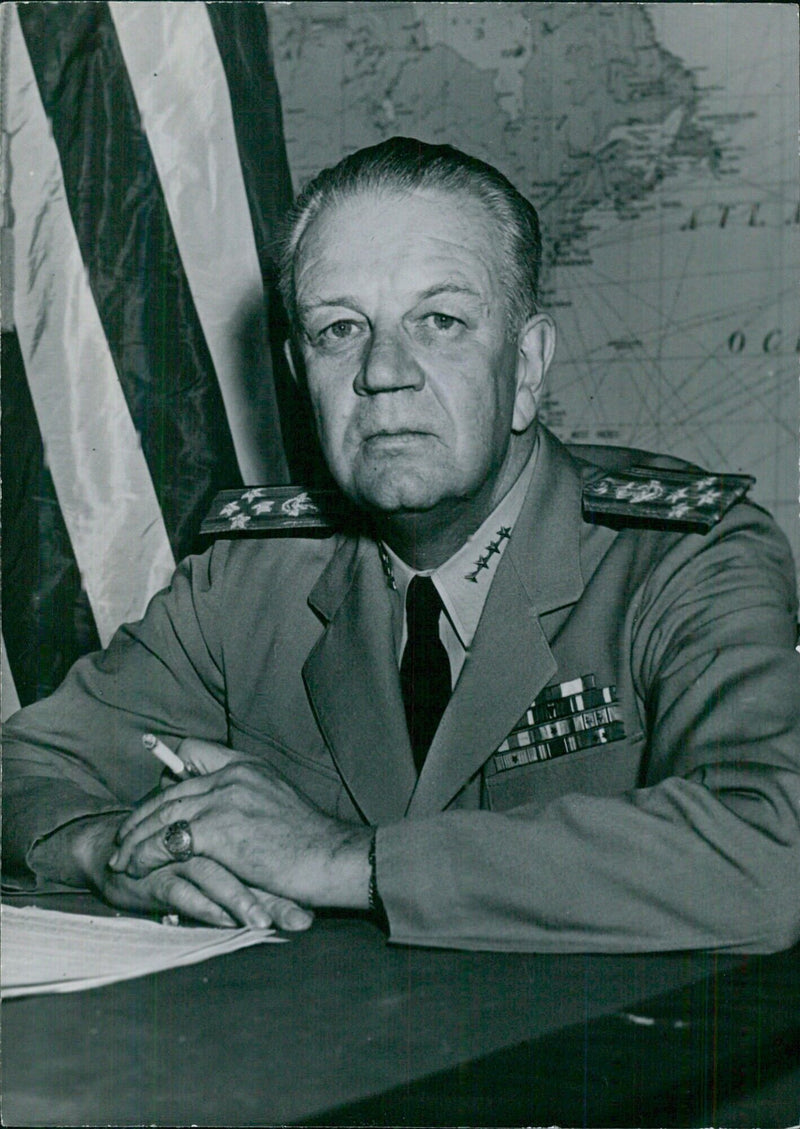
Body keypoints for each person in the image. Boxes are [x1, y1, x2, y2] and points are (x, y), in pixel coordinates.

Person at [4, 137, 800, 953]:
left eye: (442, 321)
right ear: (298, 370)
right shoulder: (250, 577)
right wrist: (105, 849)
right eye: (339, 328)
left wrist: (343, 859)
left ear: (526, 366)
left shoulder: (685, 559)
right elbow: (23, 765)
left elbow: (772, 852)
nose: (384, 371)